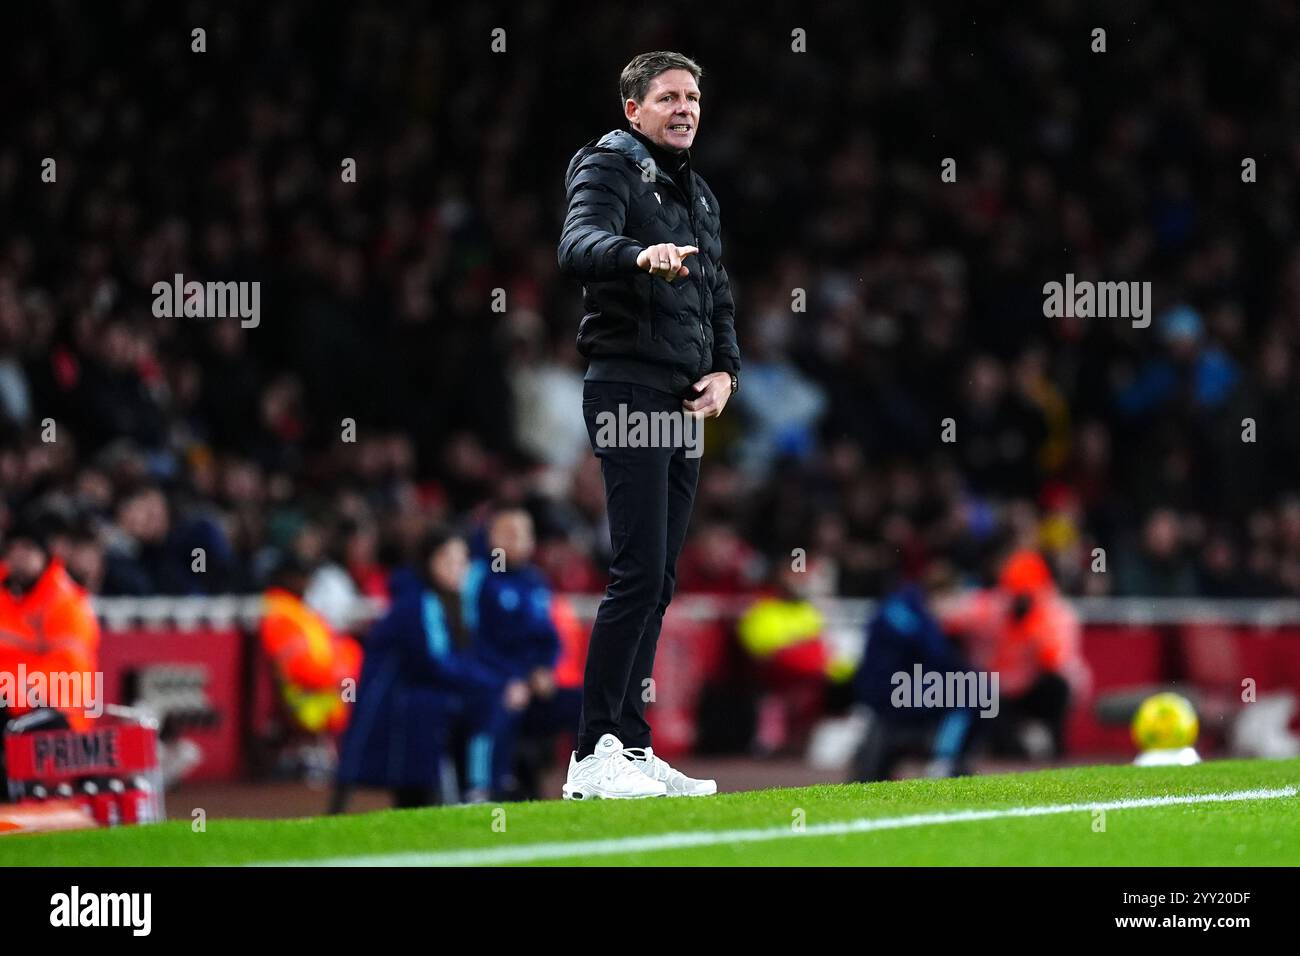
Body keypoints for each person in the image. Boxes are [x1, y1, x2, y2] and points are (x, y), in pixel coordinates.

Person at [557, 50, 741, 798]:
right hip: (628, 387)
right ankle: (592, 751)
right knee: (636, 572)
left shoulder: (697, 194)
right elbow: (577, 246)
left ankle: (630, 748)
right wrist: (638, 256)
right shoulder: (605, 167)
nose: (685, 108)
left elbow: (717, 294)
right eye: (668, 97)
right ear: (633, 109)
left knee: (660, 578)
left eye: (693, 96)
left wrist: (726, 370)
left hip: (681, 398)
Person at [333, 529, 528, 810]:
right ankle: (478, 789)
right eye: (449, 560)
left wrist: (504, 680)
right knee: (487, 702)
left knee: (497, 700)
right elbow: (433, 664)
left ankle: (489, 785)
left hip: (418, 692)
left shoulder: (448, 602)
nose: (458, 569)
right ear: (429, 562)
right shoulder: (418, 602)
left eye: (462, 561)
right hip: (395, 703)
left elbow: (463, 659)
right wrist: (495, 684)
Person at [464, 508, 564, 797]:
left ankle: (591, 780)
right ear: (491, 537)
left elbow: (548, 638)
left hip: (529, 679)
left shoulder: (535, 581)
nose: (520, 540)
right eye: (510, 533)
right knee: (494, 703)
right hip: (488, 677)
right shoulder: (478, 577)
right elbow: (471, 640)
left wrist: (544, 669)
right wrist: (511, 679)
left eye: (525, 534)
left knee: (585, 704)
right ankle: (481, 787)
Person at [850, 573, 976, 782]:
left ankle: (943, 758)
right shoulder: (906, 613)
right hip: (891, 689)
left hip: (894, 686)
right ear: (940, 593)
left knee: (969, 686)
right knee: (971, 692)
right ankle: (943, 761)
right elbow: (934, 655)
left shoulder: (907, 609)